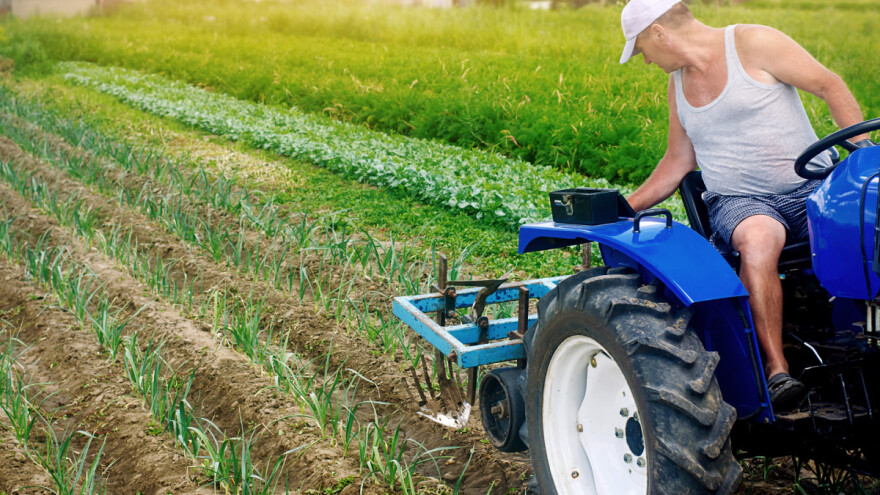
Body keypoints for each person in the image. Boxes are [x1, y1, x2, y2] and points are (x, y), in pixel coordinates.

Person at [618, 0, 872, 408]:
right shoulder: (677, 86)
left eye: (641, 49)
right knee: (757, 239)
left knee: (865, 223)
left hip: (812, 188)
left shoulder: (753, 43)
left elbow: (829, 84)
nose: (644, 60)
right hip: (741, 200)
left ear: (659, 33)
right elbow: (678, 161)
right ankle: (777, 371)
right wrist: (623, 206)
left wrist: (864, 155)